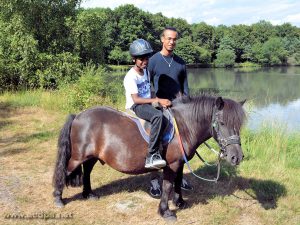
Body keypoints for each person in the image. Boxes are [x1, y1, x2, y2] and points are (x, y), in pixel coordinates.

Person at [147, 27, 193, 197]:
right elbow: (147, 86)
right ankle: (153, 179)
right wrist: (156, 102)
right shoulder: (153, 61)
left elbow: (185, 88)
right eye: (168, 38)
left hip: (178, 108)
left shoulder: (180, 62)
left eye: (174, 39)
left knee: (184, 142)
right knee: (157, 140)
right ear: (162, 40)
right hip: (158, 107)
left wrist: (187, 107)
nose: (172, 42)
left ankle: (179, 177)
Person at [123, 39, 172, 169]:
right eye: (141, 59)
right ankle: (152, 154)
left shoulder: (146, 72)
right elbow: (136, 99)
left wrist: (159, 100)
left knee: (167, 115)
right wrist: (156, 101)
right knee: (157, 116)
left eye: (147, 58)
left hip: (146, 103)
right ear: (134, 59)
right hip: (136, 106)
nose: (145, 62)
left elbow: (148, 91)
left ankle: (163, 148)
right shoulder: (131, 77)